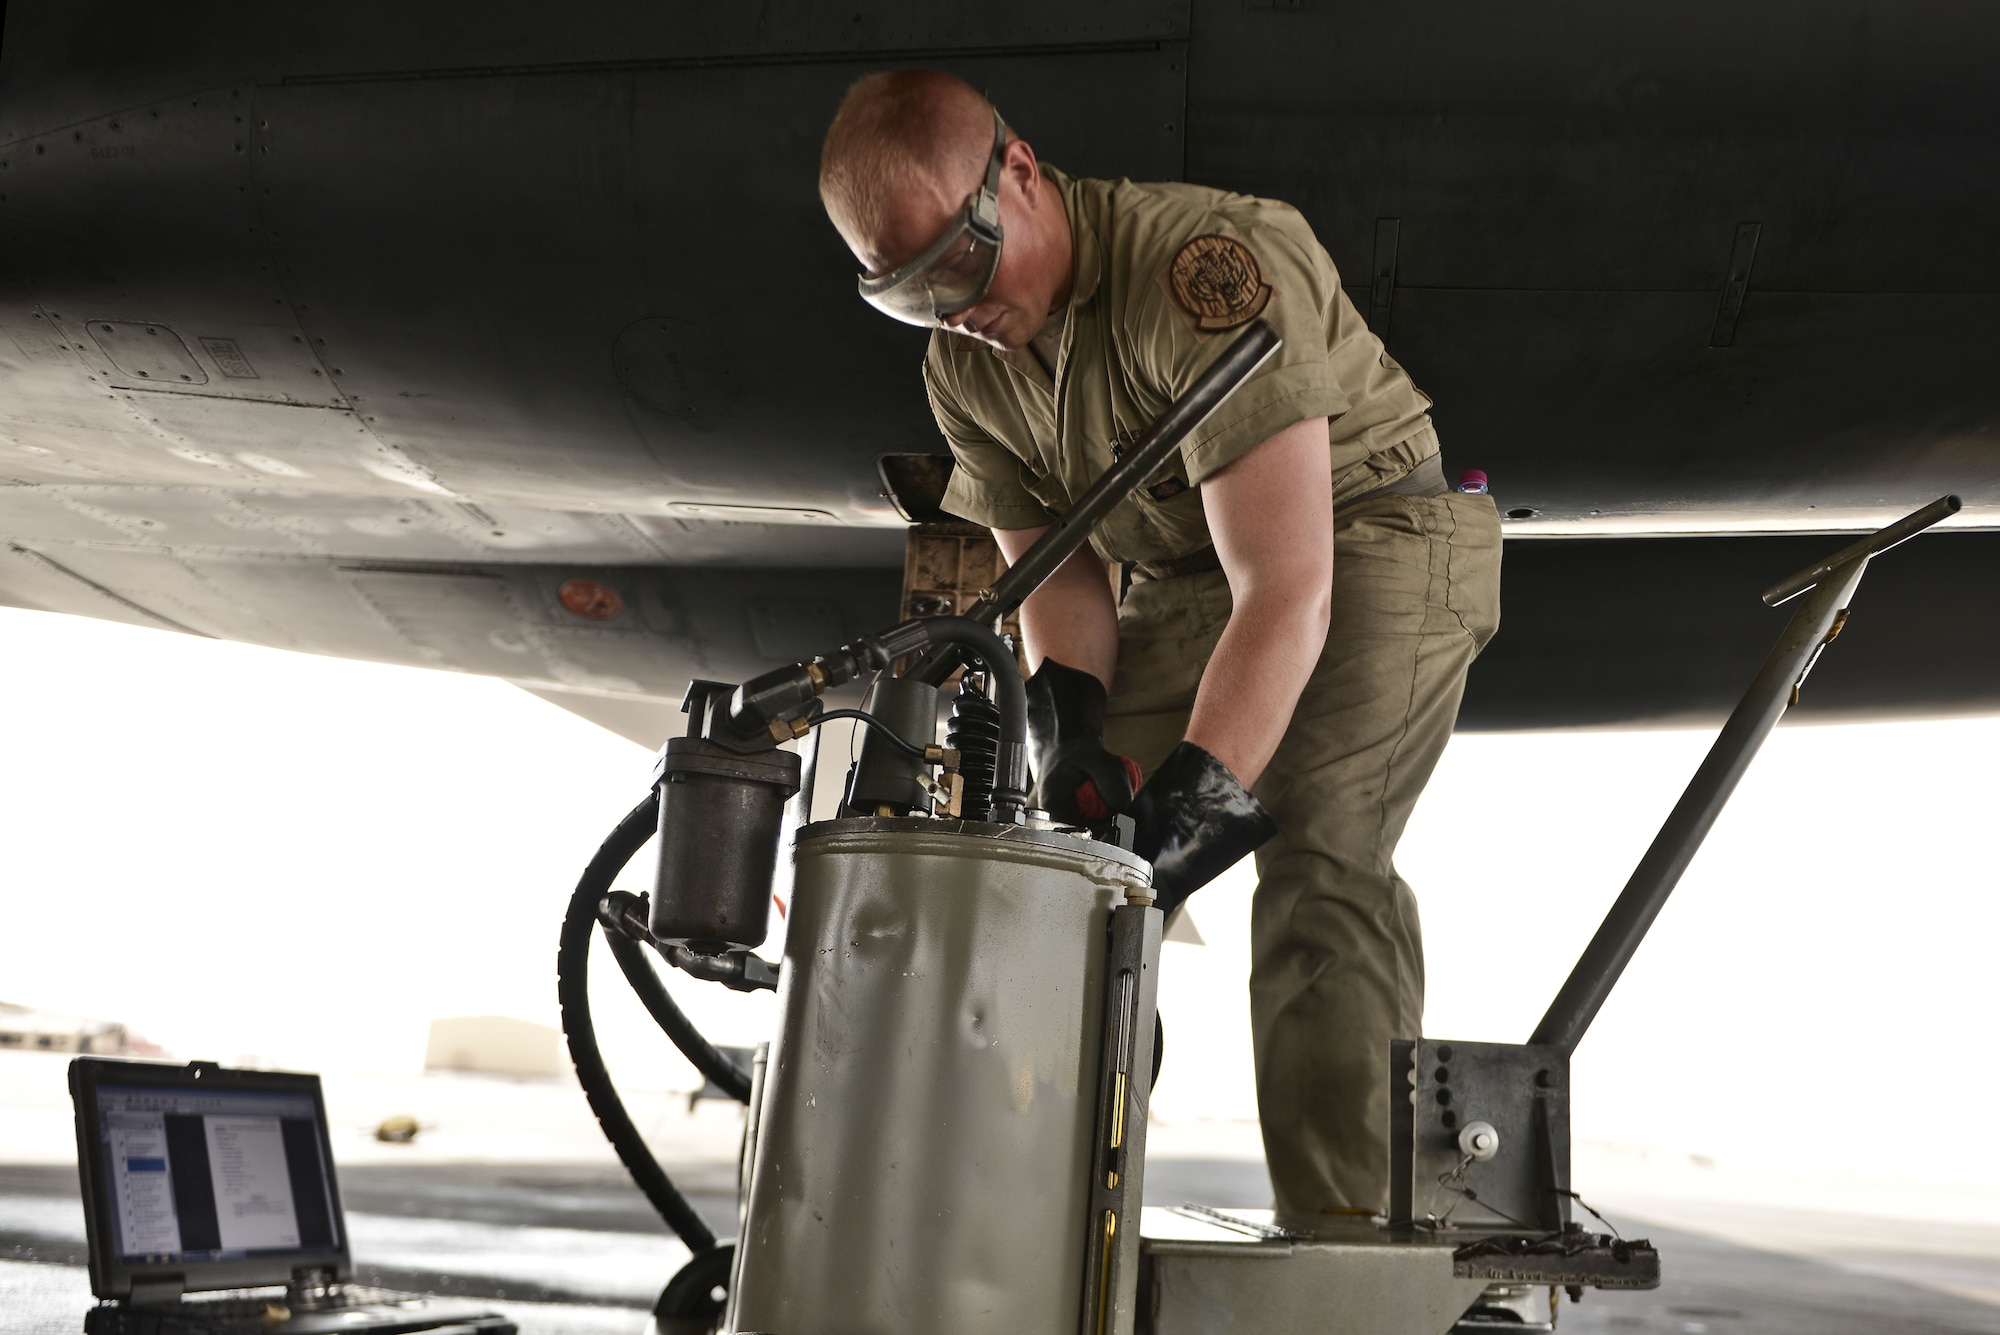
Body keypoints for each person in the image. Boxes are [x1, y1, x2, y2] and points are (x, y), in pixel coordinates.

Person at [819, 69, 1501, 1222]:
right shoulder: (964, 369)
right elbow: (1060, 578)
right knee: (1065, 870)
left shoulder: (1202, 272)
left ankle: (1345, 1246)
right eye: (909, 295)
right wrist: (1074, 728)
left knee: (1317, 860)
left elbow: (1284, 589)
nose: (952, 310)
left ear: (1020, 174)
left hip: (1372, 534)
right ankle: (1033, 1229)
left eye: (960, 265)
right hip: (1185, 572)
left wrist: (1197, 798)